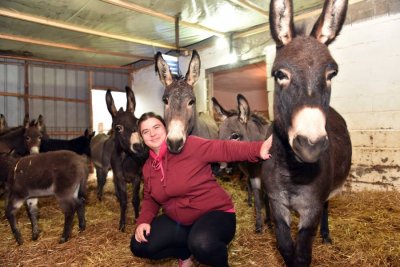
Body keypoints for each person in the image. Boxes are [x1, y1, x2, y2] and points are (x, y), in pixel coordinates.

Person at [130, 112, 272, 267]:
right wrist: (144, 221)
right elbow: (151, 198)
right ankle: (185, 254)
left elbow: (225, 148)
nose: (152, 133)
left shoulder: (190, 145)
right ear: (142, 138)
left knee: (201, 243)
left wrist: (258, 149)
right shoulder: (148, 167)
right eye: (145, 131)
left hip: (215, 214)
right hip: (181, 221)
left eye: (156, 127)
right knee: (139, 245)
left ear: (166, 128)